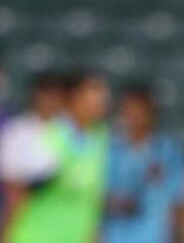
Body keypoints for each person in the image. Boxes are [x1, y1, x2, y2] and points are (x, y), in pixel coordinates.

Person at [5, 71, 110, 243]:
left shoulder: (101, 137)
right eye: (94, 92)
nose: (102, 99)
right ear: (74, 97)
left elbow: (93, 198)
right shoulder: (49, 138)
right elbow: (18, 195)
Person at [103, 83, 184, 243]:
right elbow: (95, 198)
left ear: (152, 112)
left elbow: (181, 200)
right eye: (129, 110)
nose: (134, 116)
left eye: (140, 109)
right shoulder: (109, 151)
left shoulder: (169, 152)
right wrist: (117, 203)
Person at [0, 71, 65, 232]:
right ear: (35, 96)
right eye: (46, 95)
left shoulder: (70, 131)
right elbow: (10, 181)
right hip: (25, 219)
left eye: (56, 96)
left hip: (63, 221)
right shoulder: (17, 129)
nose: (51, 101)